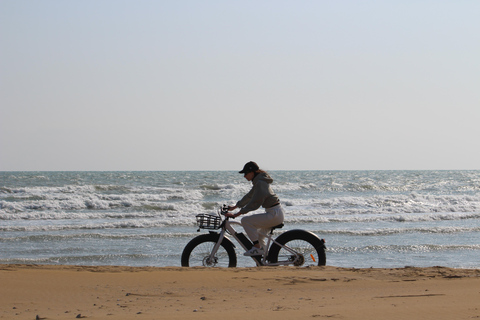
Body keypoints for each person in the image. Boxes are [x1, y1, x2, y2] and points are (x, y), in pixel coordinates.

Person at [225, 161, 285, 256]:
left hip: (274, 214)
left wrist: (236, 214)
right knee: (260, 236)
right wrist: (235, 207)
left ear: (252, 172)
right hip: (275, 213)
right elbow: (249, 196)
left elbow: (255, 203)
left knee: (245, 221)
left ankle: (257, 248)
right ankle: (266, 259)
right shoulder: (259, 182)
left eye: (246, 173)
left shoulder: (260, 183)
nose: (244, 176)